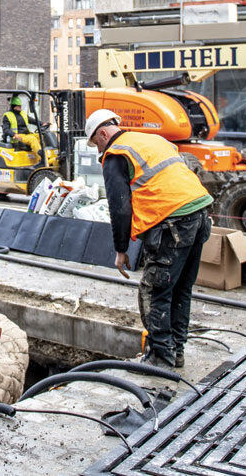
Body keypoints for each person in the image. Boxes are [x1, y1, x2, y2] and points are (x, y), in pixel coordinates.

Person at [87, 108, 213, 369]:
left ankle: (160, 357)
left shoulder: (116, 155)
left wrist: (121, 250)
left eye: (96, 143)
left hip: (173, 222)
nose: (99, 150)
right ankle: (176, 350)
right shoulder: (150, 140)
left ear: (102, 133)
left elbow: (119, 207)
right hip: (199, 214)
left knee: (155, 290)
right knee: (179, 289)